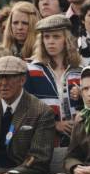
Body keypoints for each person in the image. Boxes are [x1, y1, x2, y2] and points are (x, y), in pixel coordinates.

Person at [25, 14, 82, 146]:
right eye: (46, 37)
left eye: (56, 36)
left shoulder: (79, 71)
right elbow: (24, 109)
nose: (50, 41)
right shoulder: (31, 70)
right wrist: (55, 124)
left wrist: (82, 98)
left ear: (66, 40)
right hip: (43, 143)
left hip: (77, 143)